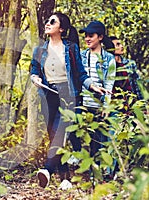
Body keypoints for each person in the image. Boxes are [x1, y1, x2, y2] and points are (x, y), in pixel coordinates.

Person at [30, 13, 109, 190]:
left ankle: (47, 170)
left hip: (68, 95)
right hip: (48, 95)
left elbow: (80, 74)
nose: (48, 24)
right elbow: (34, 70)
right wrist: (35, 78)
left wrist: (93, 86)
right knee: (54, 135)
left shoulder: (71, 48)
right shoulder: (39, 50)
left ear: (62, 29)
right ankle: (64, 178)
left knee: (60, 133)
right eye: (47, 21)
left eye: (52, 21)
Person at [79, 21, 116, 166]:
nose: (87, 39)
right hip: (82, 105)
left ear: (100, 37)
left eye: (91, 36)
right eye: (86, 36)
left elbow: (109, 84)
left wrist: (106, 106)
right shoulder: (81, 56)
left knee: (96, 141)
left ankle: (96, 174)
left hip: (98, 105)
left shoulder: (109, 59)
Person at [110, 36, 143, 100]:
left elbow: (137, 85)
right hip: (115, 102)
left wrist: (142, 102)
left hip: (130, 100)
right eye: (117, 45)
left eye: (121, 44)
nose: (121, 46)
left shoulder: (130, 64)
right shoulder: (107, 66)